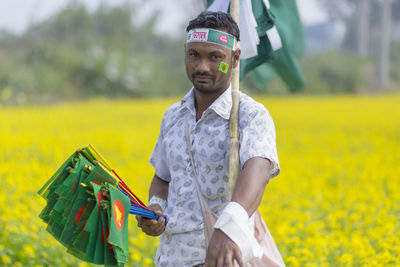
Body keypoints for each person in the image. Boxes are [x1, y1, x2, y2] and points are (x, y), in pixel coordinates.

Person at [136, 11, 280, 267]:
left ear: (234, 59)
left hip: (222, 256)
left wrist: (230, 227)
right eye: (194, 55)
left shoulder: (249, 115)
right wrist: (156, 209)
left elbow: (258, 170)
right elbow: (162, 177)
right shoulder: (173, 115)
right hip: (171, 257)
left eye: (215, 57)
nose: (202, 67)